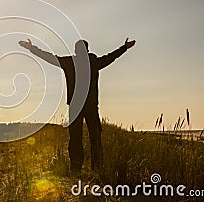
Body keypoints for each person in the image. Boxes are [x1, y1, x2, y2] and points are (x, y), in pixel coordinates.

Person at [19, 38, 136, 175]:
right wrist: (124, 47)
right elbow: (111, 57)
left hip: (77, 106)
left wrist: (32, 48)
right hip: (90, 106)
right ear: (87, 50)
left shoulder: (71, 62)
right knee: (94, 137)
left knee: (77, 137)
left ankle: (76, 168)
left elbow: (50, 58)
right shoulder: (92, 62)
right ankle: (96, 168)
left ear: (77, 50)